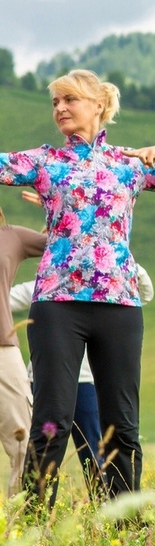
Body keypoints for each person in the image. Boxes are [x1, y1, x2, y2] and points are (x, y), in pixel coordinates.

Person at [1, 69, 155, 509]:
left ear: (99, 104)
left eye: (70, 100)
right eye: (55, 102)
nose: (60, 109)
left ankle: (125, 528)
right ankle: (32, 528)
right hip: (58, 303)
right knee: (51, 420)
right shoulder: (45, 161)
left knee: (122, 424)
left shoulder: (130, 164)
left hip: (119, 303)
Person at [12, 262, 155, 497]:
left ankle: (102, 499)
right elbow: (8, 298)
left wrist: (126, 265)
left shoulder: (116, 272)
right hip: (53, 375)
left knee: (94, 446)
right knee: (50, 434)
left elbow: (146, 292)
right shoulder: (48, 280)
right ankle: (35, 516)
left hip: (86, 381)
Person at [0, 205, 44, 496]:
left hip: (2, 348)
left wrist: (59, 206)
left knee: (24, 438)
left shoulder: (10, 237)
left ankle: (21, 524)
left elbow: (68, 239)